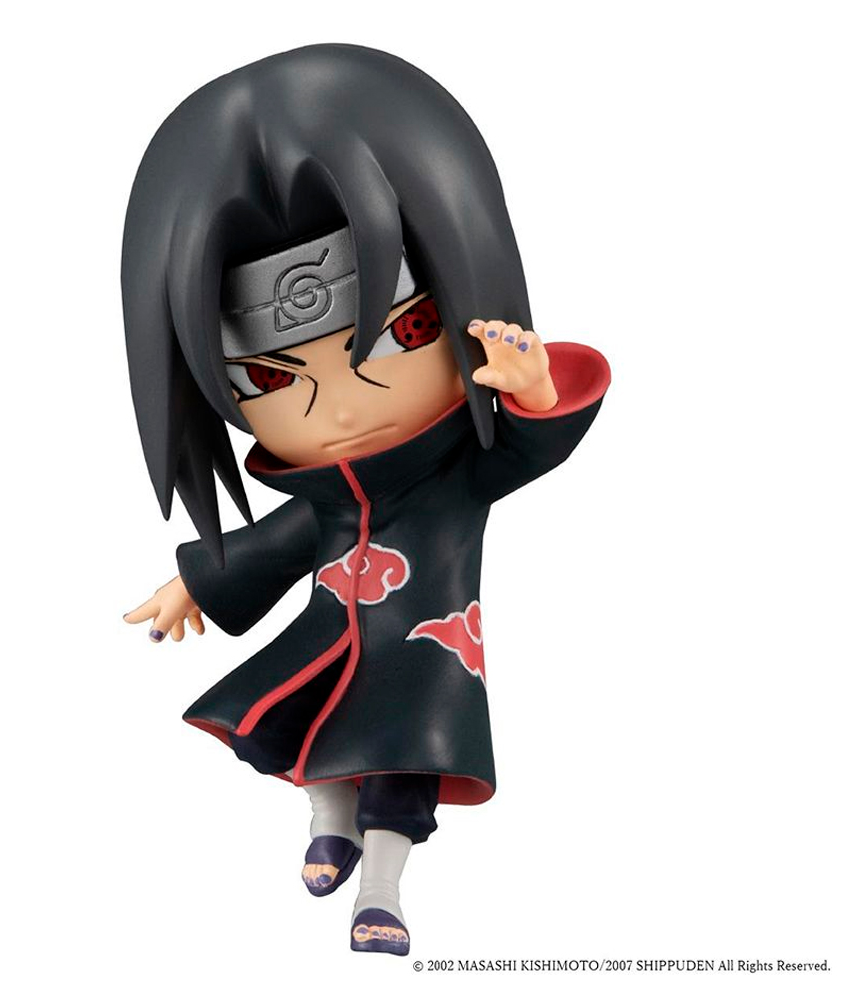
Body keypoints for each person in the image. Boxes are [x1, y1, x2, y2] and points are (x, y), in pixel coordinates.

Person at [121, 44, 610, 956]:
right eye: (268, 378)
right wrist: (196, 581)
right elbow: (278, 542)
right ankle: (326, 823)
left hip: (428, 660)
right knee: (302, 725)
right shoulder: (325, 500)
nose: (339, 405)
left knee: (401, 774)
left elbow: (533, 447)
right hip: (325, 638)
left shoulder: (457, 477)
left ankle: (380, 889)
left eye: (405, 330)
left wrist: (535, 392)